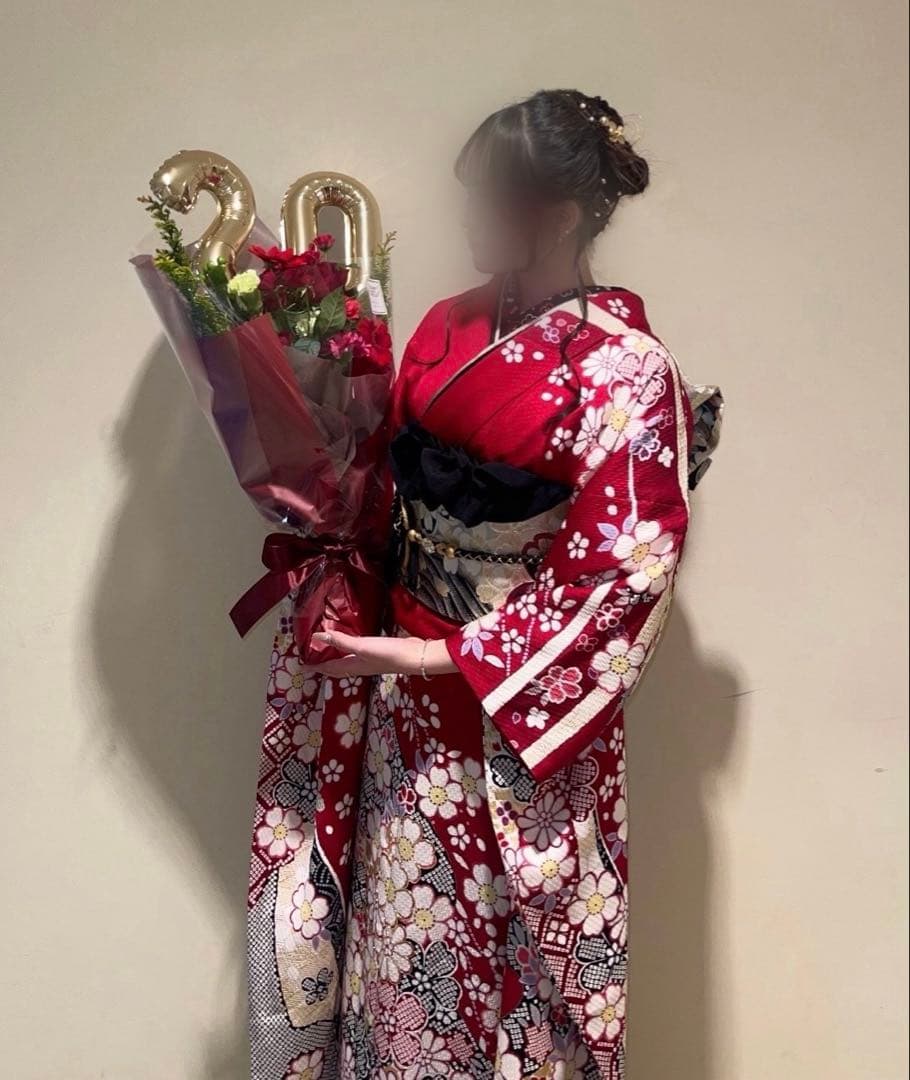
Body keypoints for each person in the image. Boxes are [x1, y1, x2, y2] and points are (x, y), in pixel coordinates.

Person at [248, 89, 722, 1080]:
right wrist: (337, 557)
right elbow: (382, 488)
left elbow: (624, 572)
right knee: (400, 937)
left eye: (487, 200)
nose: (465, 220)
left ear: (558, 215)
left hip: (515, 713)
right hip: (405, 701)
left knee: (514, 961)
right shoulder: (443, 328)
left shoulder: (630, 371)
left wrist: (437, 654)